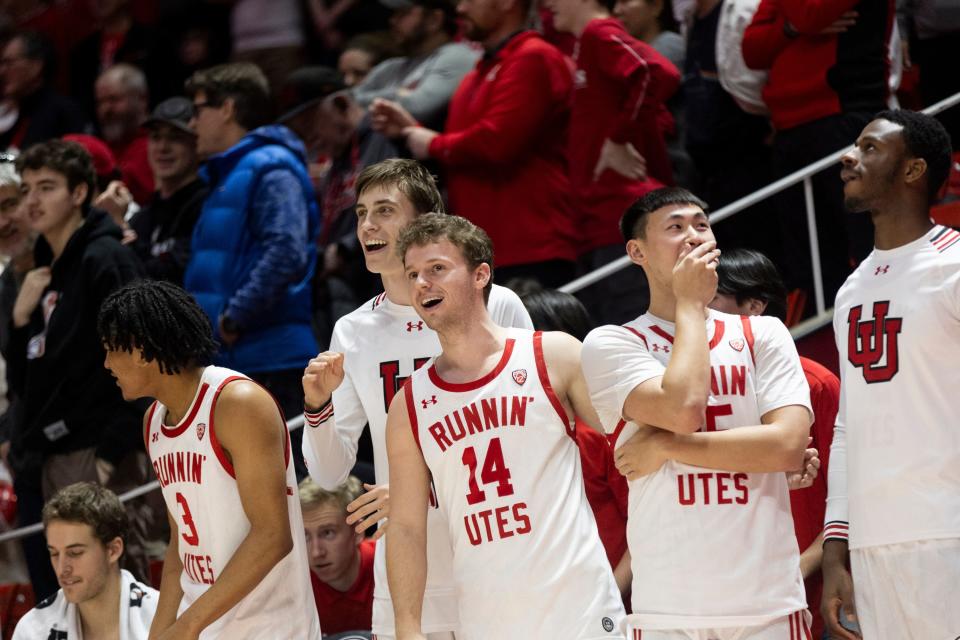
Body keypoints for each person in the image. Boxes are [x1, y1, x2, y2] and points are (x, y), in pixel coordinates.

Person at [301, 158, 533, 639]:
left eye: (385, 210)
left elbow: (525, 433)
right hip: (409, 571)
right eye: (362, 212)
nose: (367, 225)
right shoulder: (353, 331)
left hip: (494, 548)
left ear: (425, 221)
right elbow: (327, 472)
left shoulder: (494, 303)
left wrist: (419, 488)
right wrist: (318, 408)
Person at [581, 187, 816, 639]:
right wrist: (690, 305)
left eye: (701, 224)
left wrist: (667, 447)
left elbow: (787, 447)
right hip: (669, 608)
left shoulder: (763, 332)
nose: (693, 236)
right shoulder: (612, 343)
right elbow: (682, 408)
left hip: (766, 600)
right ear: (637, 251)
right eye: (675, 227)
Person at [385, 213, 624, 639]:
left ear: (480, 275)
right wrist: (407, 626)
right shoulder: (409, 404)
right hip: (486, 618)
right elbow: (405, 527)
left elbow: (632, 443)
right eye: (413, 274)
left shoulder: (554, 354)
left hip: (581, 607)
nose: (422, 283)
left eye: (437, 269)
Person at [98, 279, 322, 639]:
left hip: (269, 627)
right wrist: (160, 633)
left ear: (140, 348)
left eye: (111, 349)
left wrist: (187, 626)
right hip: (204, 623)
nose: (107, 363)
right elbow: (180, 546)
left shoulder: (237, 403)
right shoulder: (153, 420)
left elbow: (273, 536)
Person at [822, 109, 958, 640]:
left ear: (912, 170)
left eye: (869, 147)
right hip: (875, 540)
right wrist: (837, 550)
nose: (848, 157)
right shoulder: (850, 290)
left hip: (948, 529)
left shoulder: (954, 265)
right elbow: (846, 427)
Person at [7, 139, 146, 599]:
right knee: (65, 599)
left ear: (80, 193)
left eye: (46, 187)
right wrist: (21, 322)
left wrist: (111, 451)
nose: (32, 200)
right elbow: (31, 378)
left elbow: (142, 354)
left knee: (111, 596)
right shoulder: (45, 273)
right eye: (26, 188)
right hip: (48, 456)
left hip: (92, 452)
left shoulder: (106, 259)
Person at [371, 0, 579, 287]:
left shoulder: (534, 57)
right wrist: (410, 130)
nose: (460, 9)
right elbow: (464, 146)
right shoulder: (478, 72)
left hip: (531, 246)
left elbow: (497, 142)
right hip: (483, 250)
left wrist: (431, 143)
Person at [183, 62, 320, 468]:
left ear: (226, 108)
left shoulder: (271, 165)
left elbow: (286, 250)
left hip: (270, 360)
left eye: (198, 110)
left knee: (285, 498)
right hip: (238, 358)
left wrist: (234, 317)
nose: (192, 124)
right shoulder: (232, 172)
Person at [710, 247, 839, 639]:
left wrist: (801, 567)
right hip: (730, 590)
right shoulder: (697, 388)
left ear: (753, 308)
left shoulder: (814, 383)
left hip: (803, 590)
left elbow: (853, 491)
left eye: (713, 299)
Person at [743, 0, 897, 307]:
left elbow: (810, 15)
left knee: (870, 243)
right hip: (790, 128)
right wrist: (789, 27)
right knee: (813, 262)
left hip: (846, 116)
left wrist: (791, 24)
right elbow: (752, 50)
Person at [546, 0, 680, 325]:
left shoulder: (598, 31)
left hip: (619, 217)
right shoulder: (586, 43)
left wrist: (620, 138)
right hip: (599, 221)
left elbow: (656, 71)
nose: (548, 5)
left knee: (635, 337)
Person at [518, 288, 631, 597]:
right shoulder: (520, 430)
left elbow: (644, 523)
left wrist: (610, 598)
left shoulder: (602, 430)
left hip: (613, 605)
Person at [12, 482, 158, 639]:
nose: (62, 569)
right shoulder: (32, 631)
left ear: (113, 550)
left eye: (75, 553)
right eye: (54, 553)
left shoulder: (163, 616)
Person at [351, 0, 479, 131]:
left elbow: (418, 107)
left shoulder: (456, 56)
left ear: (434, 20)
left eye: (403, 13)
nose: (393, 20)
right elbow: (347, 100)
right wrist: (398, 94)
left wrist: (365, 101)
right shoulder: (390, 67)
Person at [128, 97, 207, 285]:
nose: (163, 148)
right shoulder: (142, 218)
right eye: (156, 137)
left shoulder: (207, 207)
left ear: (197, 144)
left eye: (175, 137)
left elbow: (169, 278)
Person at [300, 475, 376, 634]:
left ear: (358, 530)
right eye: (305, 536)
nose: (316, 552)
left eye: (328, 533)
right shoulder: (295, 583)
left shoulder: (390, 565)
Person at [0, 31, 89, 151]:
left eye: (9, 63)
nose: (2, 72)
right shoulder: (8, 113)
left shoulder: (63, 113)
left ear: (36, 66)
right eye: (2, 64)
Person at [94, 63, 155, 205]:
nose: (105, 109)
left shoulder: (156, 147)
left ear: (142, 99)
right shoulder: (103, 150)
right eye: (100, 102)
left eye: (114, 99)